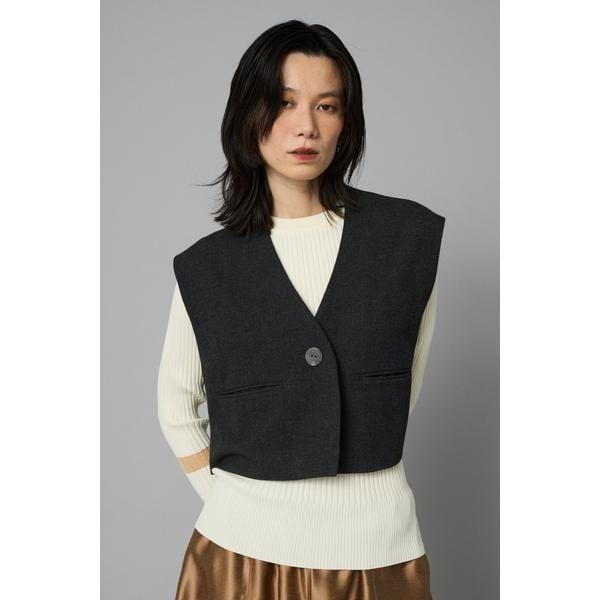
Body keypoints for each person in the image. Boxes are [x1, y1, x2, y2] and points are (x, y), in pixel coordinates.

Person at [157, 19, 445, 600]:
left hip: (379, 550)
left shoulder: (407, 241)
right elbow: (175, 407)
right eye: (284, 102)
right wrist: (242, 508)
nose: (306, 125)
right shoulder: (207, 268)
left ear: (346, 122)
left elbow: (400, 388)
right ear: (249, 116)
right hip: (239, 559)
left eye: (326, 105)